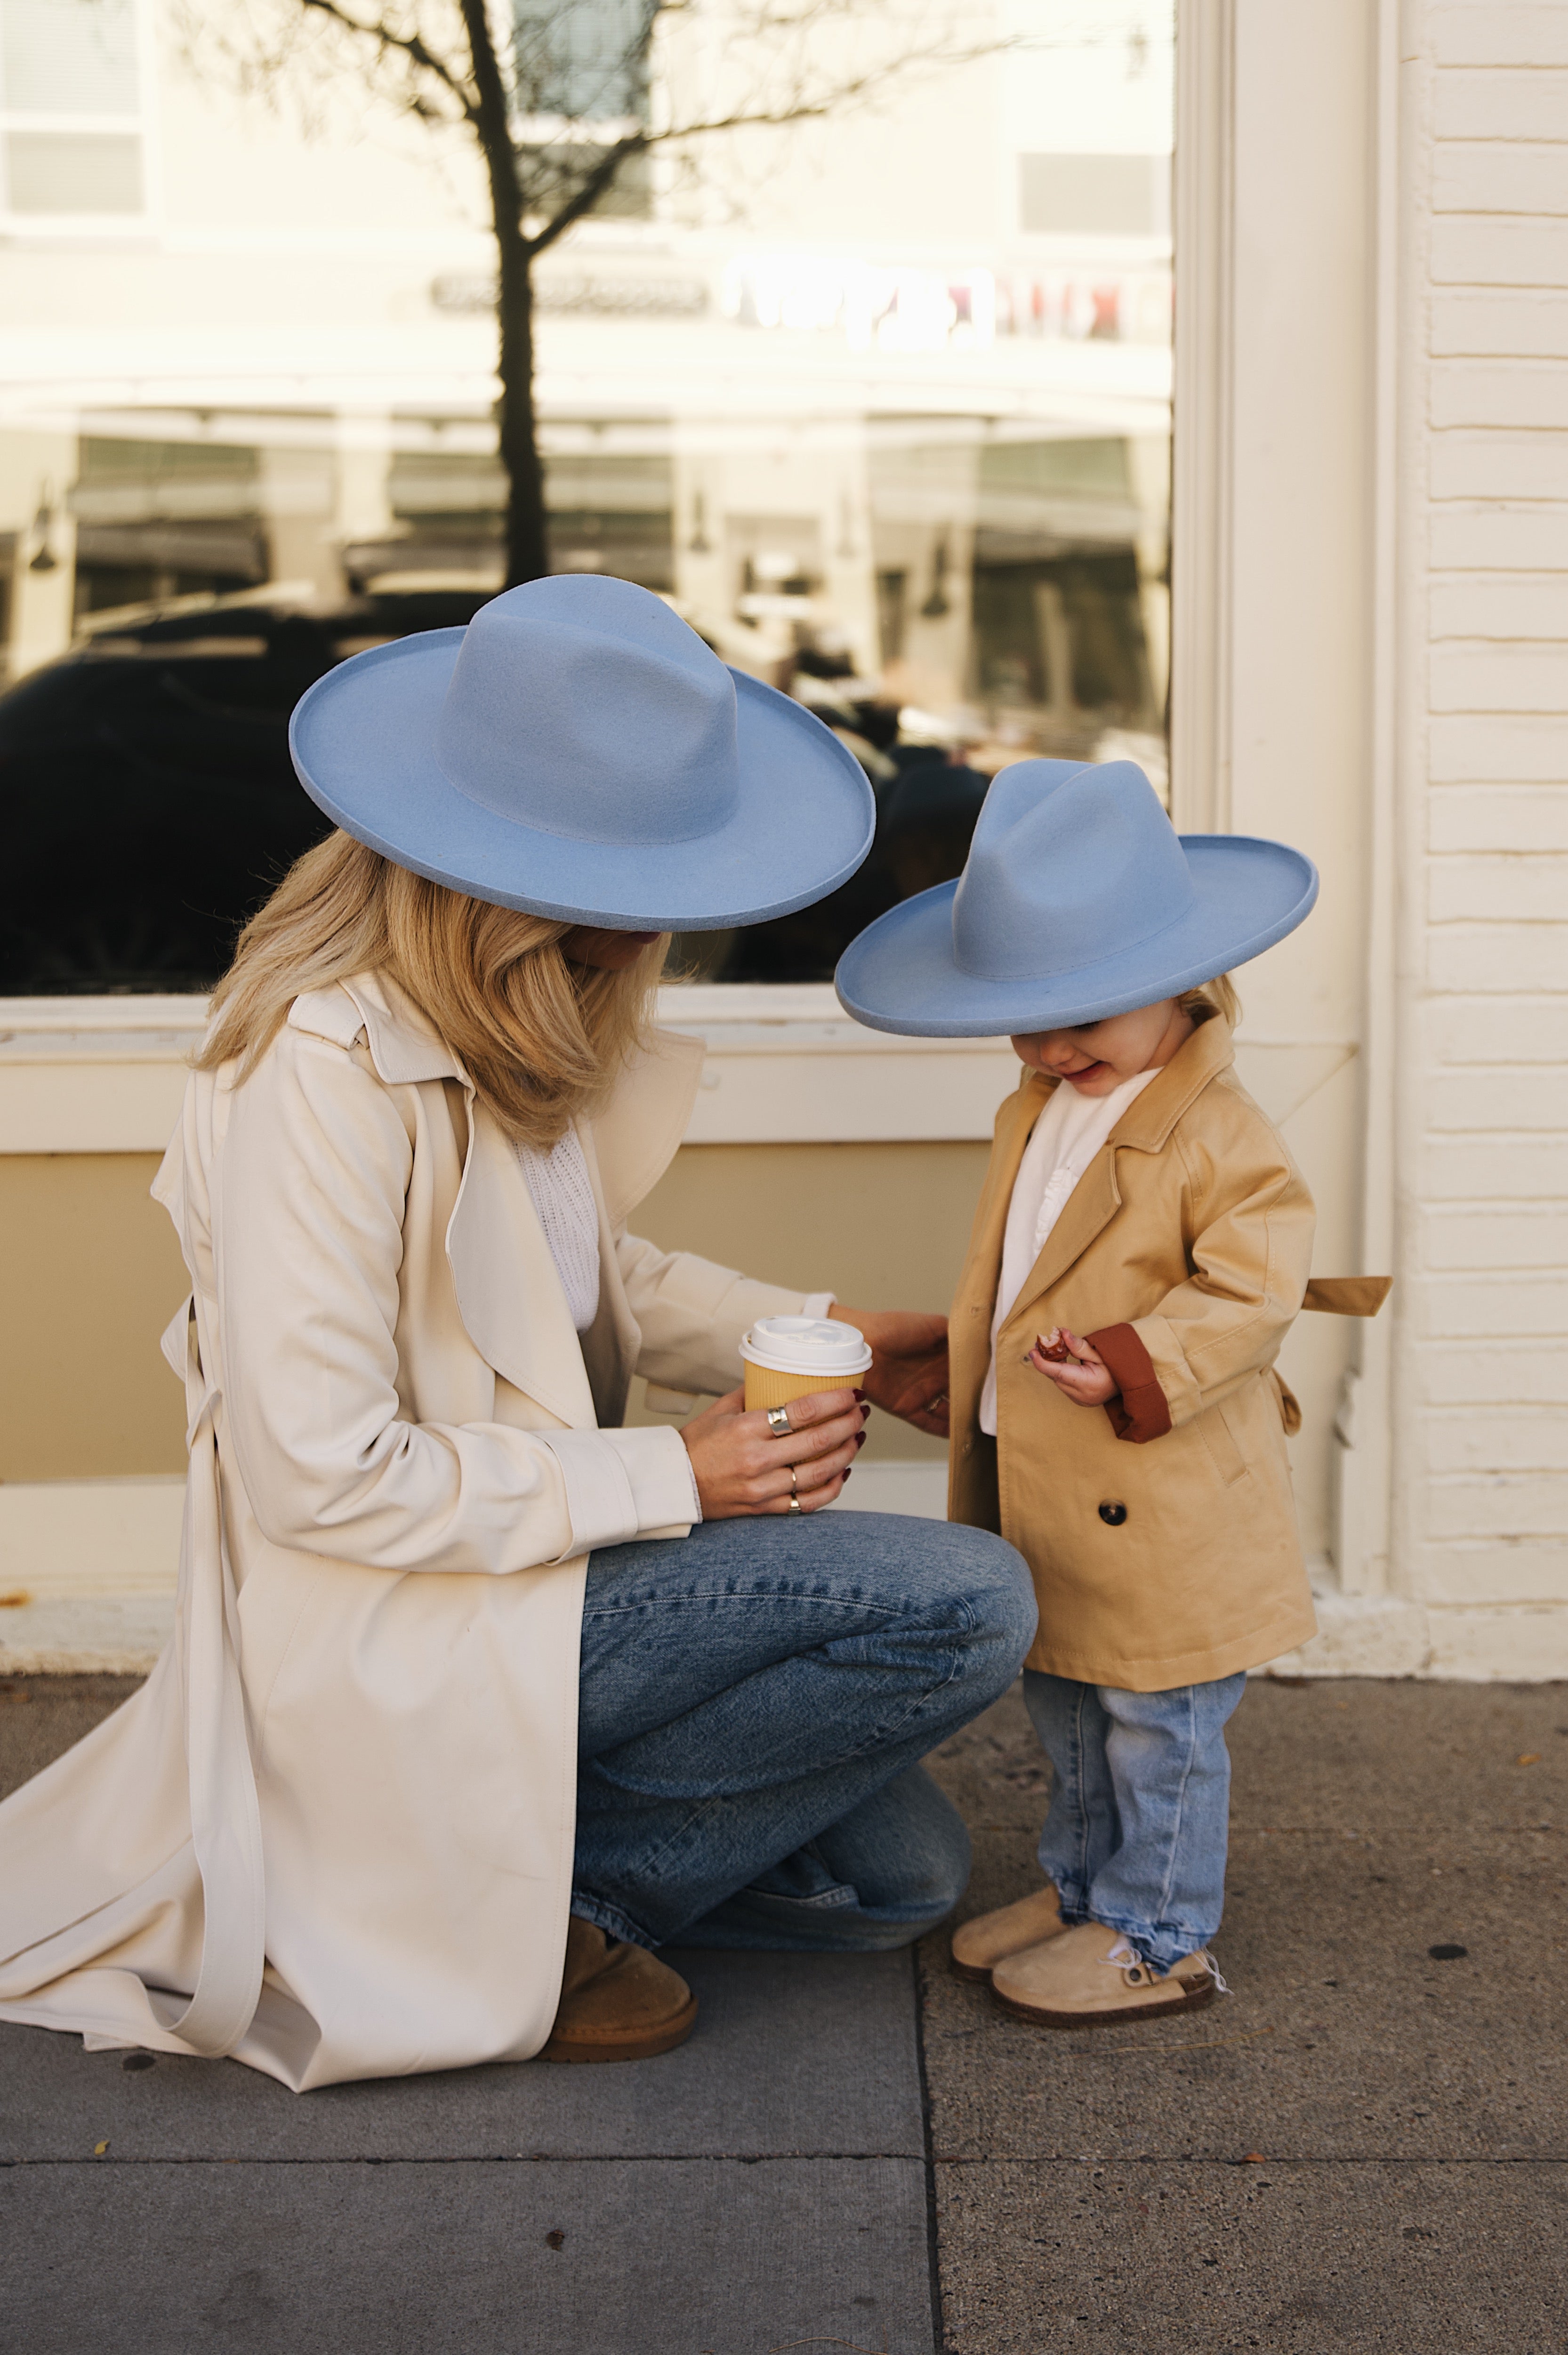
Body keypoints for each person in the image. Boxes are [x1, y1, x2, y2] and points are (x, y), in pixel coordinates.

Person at [0, 576, 1036, 2089]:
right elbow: (321, 1474)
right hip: (398, 1601)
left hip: (532, 1561)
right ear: (507, 871)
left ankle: (487, 1862)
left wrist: (828, 1334)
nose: (662, 921)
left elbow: (570, 1275)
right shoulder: (323, 1070)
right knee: (966, 1601)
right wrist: (678, 1475)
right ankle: (512, 1894)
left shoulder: (507, 1004)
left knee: (897, 1884)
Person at [836, 754, 1360, 2027]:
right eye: (1024, 1012)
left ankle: (1158, 1932)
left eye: (1084, 1010)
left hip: (1158, 1485)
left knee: (1155, 1719)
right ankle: (1082, 1888)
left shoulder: (1220, 1131)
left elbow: (1251, 1289)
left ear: (1179, 983)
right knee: (1066, 1694)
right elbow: (1013, 1267)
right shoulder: (1043, 1100)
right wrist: (961, 1372)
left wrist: (1133, 1356)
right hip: (1050, 1467)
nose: (1050, 1041)